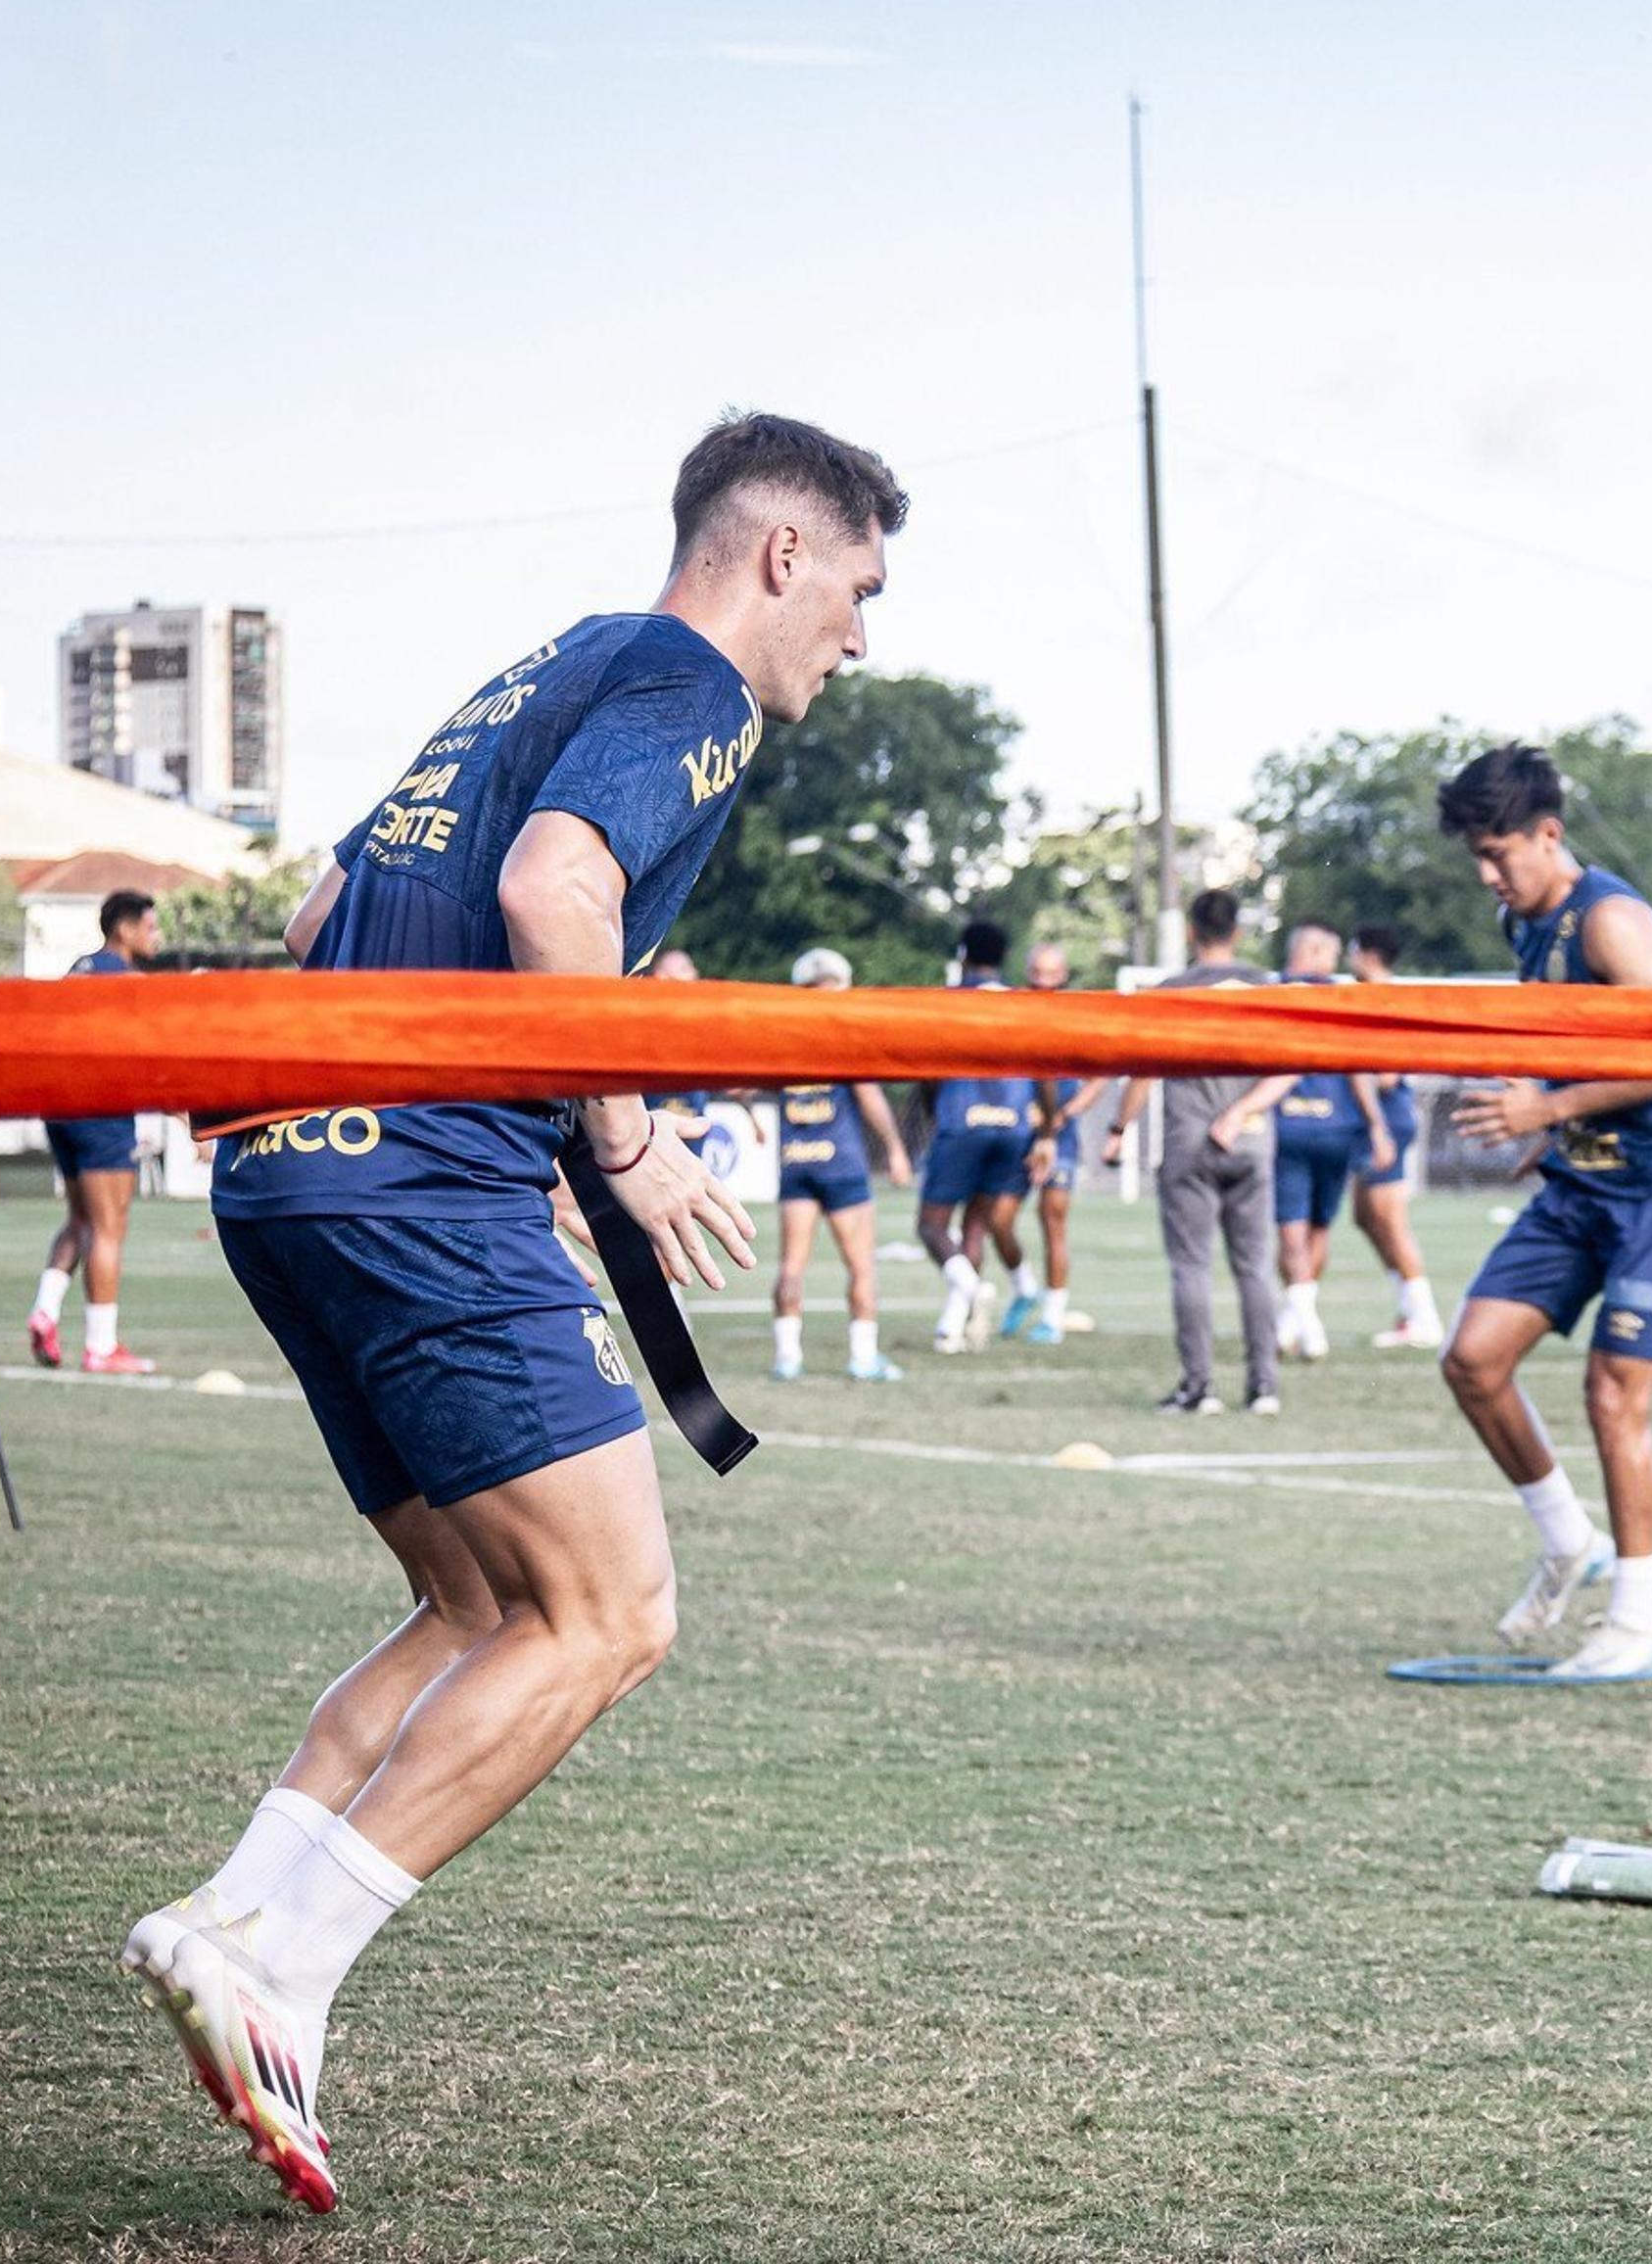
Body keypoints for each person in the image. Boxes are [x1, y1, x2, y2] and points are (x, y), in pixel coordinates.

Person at [122, 412, 905, 2212]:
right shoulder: (689, 682)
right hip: (416, 1184)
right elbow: (562, 887)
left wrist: (476, 1133)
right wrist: (615, 1139)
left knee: (476, 1598)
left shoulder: (540, 664)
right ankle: (277, 1963)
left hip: (297, 1172)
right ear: (782, 552)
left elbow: (332, 901)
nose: (861, 638)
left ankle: (236, 1927)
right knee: (608, 1611)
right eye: (859, 590)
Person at [1433, 745, 1652, 1681]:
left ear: (1548, 835)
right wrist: (1546, 1127)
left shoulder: (1613, 921)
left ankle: (1637, 1625)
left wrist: (1548, 1108)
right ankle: (1569, 1539)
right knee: (1473, 1361)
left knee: (1612, 1392)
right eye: (1476, 856)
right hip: (1579, 1185)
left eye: (1499, 854)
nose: (1487, 875)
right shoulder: (1523, 920)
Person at [1068, 887, 1295, 1415]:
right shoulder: (1268, 987)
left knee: (1191, 1266)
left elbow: (1145, 1068)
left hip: (1188, 1142)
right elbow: (1293, 1066)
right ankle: (1264, 1387)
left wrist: (1120, 1128)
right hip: (1253, 1140)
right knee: (1255, 1267)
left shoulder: (1171, 991)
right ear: (1237, 932)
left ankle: (1199, 1387)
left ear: (1192, 932)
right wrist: (1241, 1114)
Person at [30, 889, 166, 1375]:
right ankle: (101, 1346)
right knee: (110, 1228)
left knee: (79, 1221)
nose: (156, 935)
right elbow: (146, 1054)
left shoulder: (76, 971)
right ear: (124, 929)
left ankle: (46, 1310)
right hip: (102, 1111)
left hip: (59, 1108)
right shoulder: (129, 982)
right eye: (150, 926)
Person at [768, 946, 914, 1382]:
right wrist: (895, 1148)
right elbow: (870, 1098)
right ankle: (863, 1356)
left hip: (796, 1163)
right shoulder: (846, 1037)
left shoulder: (781, 1039)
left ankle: (787, 1356)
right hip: (841, 1164)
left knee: (791, 1265)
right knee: (861, 1264)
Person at [916, 918, 1043, 1354]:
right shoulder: (1024, 1005)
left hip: (962, 1120)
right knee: (974, 1225)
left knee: (932, 1227)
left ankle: (971, 1289)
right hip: (1013, 1126)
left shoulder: (948, 1002)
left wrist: (933, 1106)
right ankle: (951, 1329)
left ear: (964, 955)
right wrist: (1045, 1130)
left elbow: (927, 1066)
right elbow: (1043, 1067)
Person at [1265, 920, 1389, 1364]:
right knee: (1318, 1228)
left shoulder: (1270, 993)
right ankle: (1303, 1324)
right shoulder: (1340, 996)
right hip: (1337, 1128)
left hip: (1288, 1128)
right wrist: (1376, 1124)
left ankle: (1297, 1322)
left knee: (1292, 1231)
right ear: (1316, 952)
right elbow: (1358, 1067)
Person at [1346, 922, 1445, 1349]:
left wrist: (1375, 1125)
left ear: (1368, 955)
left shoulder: (1380, 998)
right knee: (1365, 1216)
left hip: (1386, 1117)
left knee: (1389, 1218)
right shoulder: (1378, 994)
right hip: (1380, 1118)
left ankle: (1425, 1317)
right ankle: (1410, 1309)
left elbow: (1384, 1074)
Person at [1012, 939, 1093, 1345]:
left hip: (1060, 1135)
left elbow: (1102, 1075)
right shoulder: (1015, 1013)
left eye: (1051, 973)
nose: (1044, 981)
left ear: (1063, 975)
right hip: (1014, 1130)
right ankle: (1023, 1286)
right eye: (1037, 973)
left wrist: (1065, 1115)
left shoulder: (1077, 1016)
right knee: (997, 1217)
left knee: (1053, 1221)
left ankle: (1053, 1317)